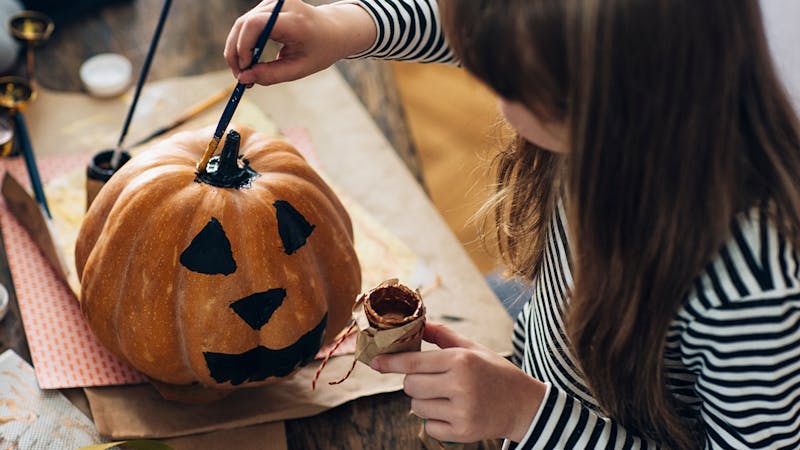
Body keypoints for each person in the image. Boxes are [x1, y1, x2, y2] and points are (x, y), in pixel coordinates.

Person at [225, 1, 800, 448]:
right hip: (547, 354)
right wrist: (347, 25)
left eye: (506, 82)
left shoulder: (753, 292)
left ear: (597, 99)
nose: (491, 95)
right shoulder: (638, 107)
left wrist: (526, 413)